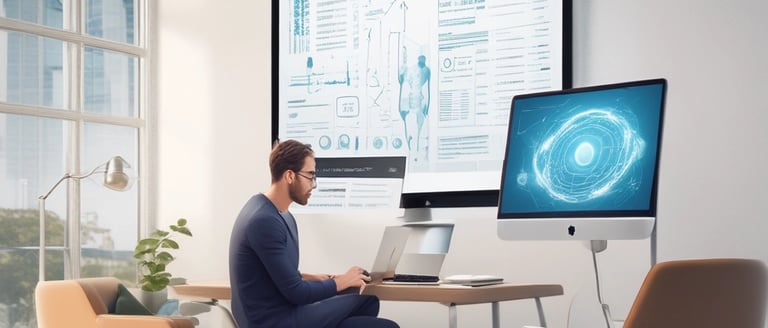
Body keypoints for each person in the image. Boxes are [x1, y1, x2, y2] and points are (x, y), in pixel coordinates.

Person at [229, 140, 399, 328]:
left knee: (367, 312)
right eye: (310, 175)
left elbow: (275, 275)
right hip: (273, 322)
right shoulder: (263, 220)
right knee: (367, 301)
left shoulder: (276, 214)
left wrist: (309, 277)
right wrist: (340, 282)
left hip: (283, 311)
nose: (314, 184)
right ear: (290, 176)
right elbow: (296, 293)